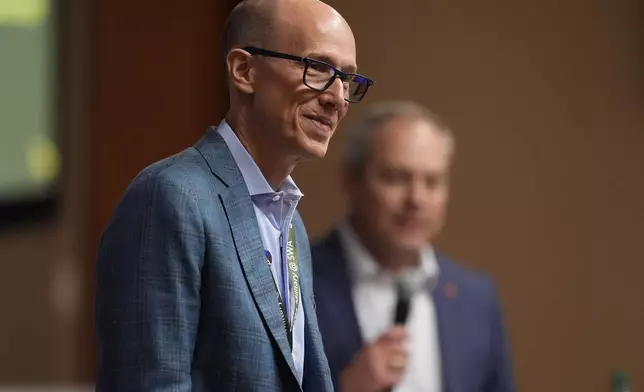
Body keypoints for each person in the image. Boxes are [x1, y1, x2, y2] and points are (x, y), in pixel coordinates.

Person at [94, 0, 373, 390]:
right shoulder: (171, 197)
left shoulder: (292, 224)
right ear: (245, 71)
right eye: (318, 68)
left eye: (346, 78)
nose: (338, 98)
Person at [312, 101, 515, 392]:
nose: (416, 200)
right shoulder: (296, 281)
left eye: (432, 182)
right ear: (351, 180)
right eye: (396, 178)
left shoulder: (477, 300)